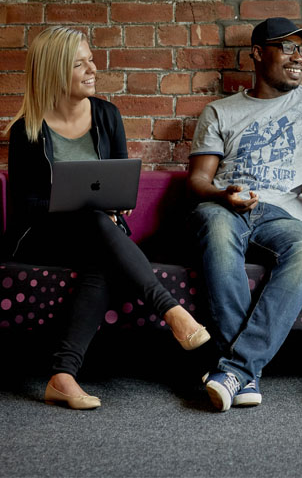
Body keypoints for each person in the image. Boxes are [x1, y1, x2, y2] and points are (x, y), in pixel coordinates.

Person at [4, 26, 210, 410]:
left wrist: (116, 202)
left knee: (102, 253)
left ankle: (62, 375)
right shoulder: (26, 131)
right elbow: (24, 204)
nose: (92, 69)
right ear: (52, 71)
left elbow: (117, 184)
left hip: (98, 234)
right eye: (78, 63)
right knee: (95, 222)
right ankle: (172, 311)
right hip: (42, 238)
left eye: (90, 59)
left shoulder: (107, 115)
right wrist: (77, 202)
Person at [187, 17, 302, 412]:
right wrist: (224, 194)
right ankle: (244, 374)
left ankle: (234, 370)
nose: (299, 57)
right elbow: (198, 180)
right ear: (257, 53)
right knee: (216, 230)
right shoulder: (220, 111)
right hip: (226, 208)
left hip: (284, 215)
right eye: (287, 47)